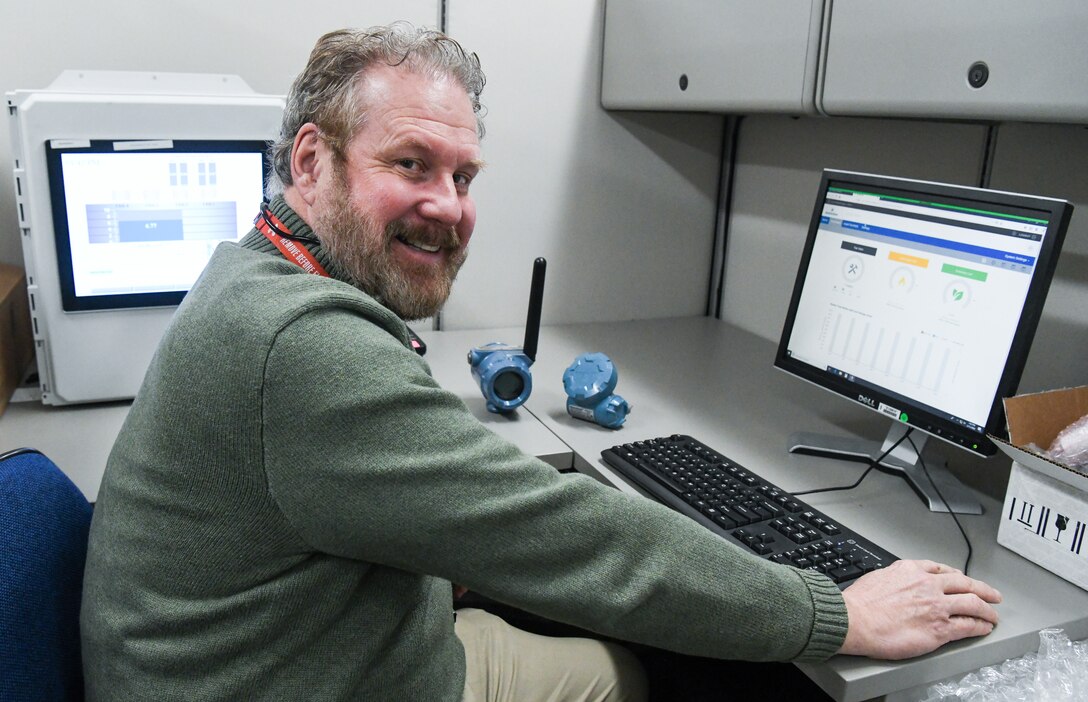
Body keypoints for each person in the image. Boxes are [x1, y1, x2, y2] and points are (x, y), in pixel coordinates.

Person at [80, 22, 1003, 702]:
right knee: (626, 672)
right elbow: (583, 542)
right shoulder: (306, 350)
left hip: (282, 649)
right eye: (410, 163)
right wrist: (835, 613)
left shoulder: (254, 269)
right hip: (300, 680)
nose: (448, 205)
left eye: (464, 177)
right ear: (312, 162)